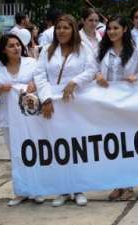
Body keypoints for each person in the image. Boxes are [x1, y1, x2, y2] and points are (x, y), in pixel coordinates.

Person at [35, 15, 98, 207]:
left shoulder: (84, 49)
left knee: (77, 146)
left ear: (73, 30)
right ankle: (62, 189)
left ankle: (78, 188)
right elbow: (40, 75)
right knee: (58, 146)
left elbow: (91, 70)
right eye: (58, 28)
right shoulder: (47, 50)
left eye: (66, 28)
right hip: (52, 103)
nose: (61, 31)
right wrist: (45, 98)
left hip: (75, 102)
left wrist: (74, 82)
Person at [0, 34, 44, 206]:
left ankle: (36, 190)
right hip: (8, 118)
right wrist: (0, 90)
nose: (16, 48)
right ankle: (21, 191)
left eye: (18, 44)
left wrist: (35, 84)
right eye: (11, 46)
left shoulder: (31, 63)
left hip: (30, 117)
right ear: (4, 49)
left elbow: (42, 81)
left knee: (33, 153)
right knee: (16, 155)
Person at [95, 16, 138, 201]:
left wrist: (135, 78)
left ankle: (129, 185)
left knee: (127, 145)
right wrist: (98, 76)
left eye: (115, 28)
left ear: (124, 29)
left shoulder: (135, 51)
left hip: (127, 102)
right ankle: (116, 184)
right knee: (112, 145)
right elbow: (94, 69)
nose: (112, 31)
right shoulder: (102, 49)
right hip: (107, 103)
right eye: (109, 28)